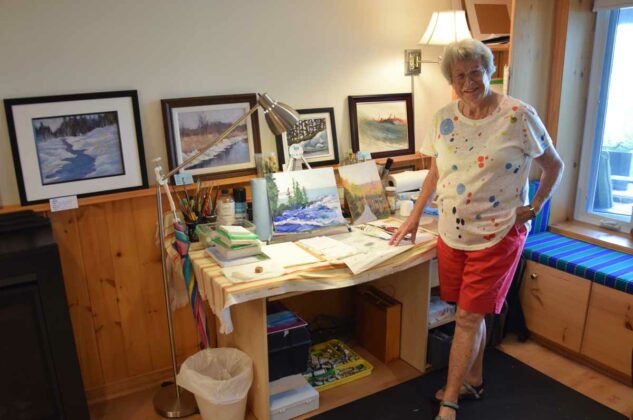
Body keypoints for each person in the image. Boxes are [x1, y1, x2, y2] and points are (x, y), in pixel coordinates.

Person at [389, 38, 564, 420]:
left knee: (467, 318)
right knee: (472, 313)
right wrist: (415, 215)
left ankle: (450, 400)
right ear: (451, 80)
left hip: (499, 233)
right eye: (459, 75)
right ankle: (474, 378)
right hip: (452, 233)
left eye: (475, 72)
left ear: (489, 71)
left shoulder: (518, 115)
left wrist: (535, 206)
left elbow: (554, 165)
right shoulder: (444, 117)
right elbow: (437, 170)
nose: (468, 82)